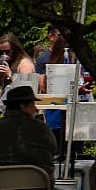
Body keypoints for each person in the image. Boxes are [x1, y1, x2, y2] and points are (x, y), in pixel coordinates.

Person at [33, 25, 76, 157]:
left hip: (74, 114)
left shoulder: (76, 58)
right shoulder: (44, 59)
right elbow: (43, 87)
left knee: (75, 153)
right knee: (56, 151)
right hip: (55, 111)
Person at [0, 33, 36, 124]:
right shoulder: (10, 63)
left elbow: (27, 88)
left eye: (7, 51)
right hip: (10, 114)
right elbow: (3, 88)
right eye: (1, 52)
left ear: (15, 49)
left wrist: (10, 75)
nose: (4, 55)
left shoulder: (24, 63)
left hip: (22, 116)